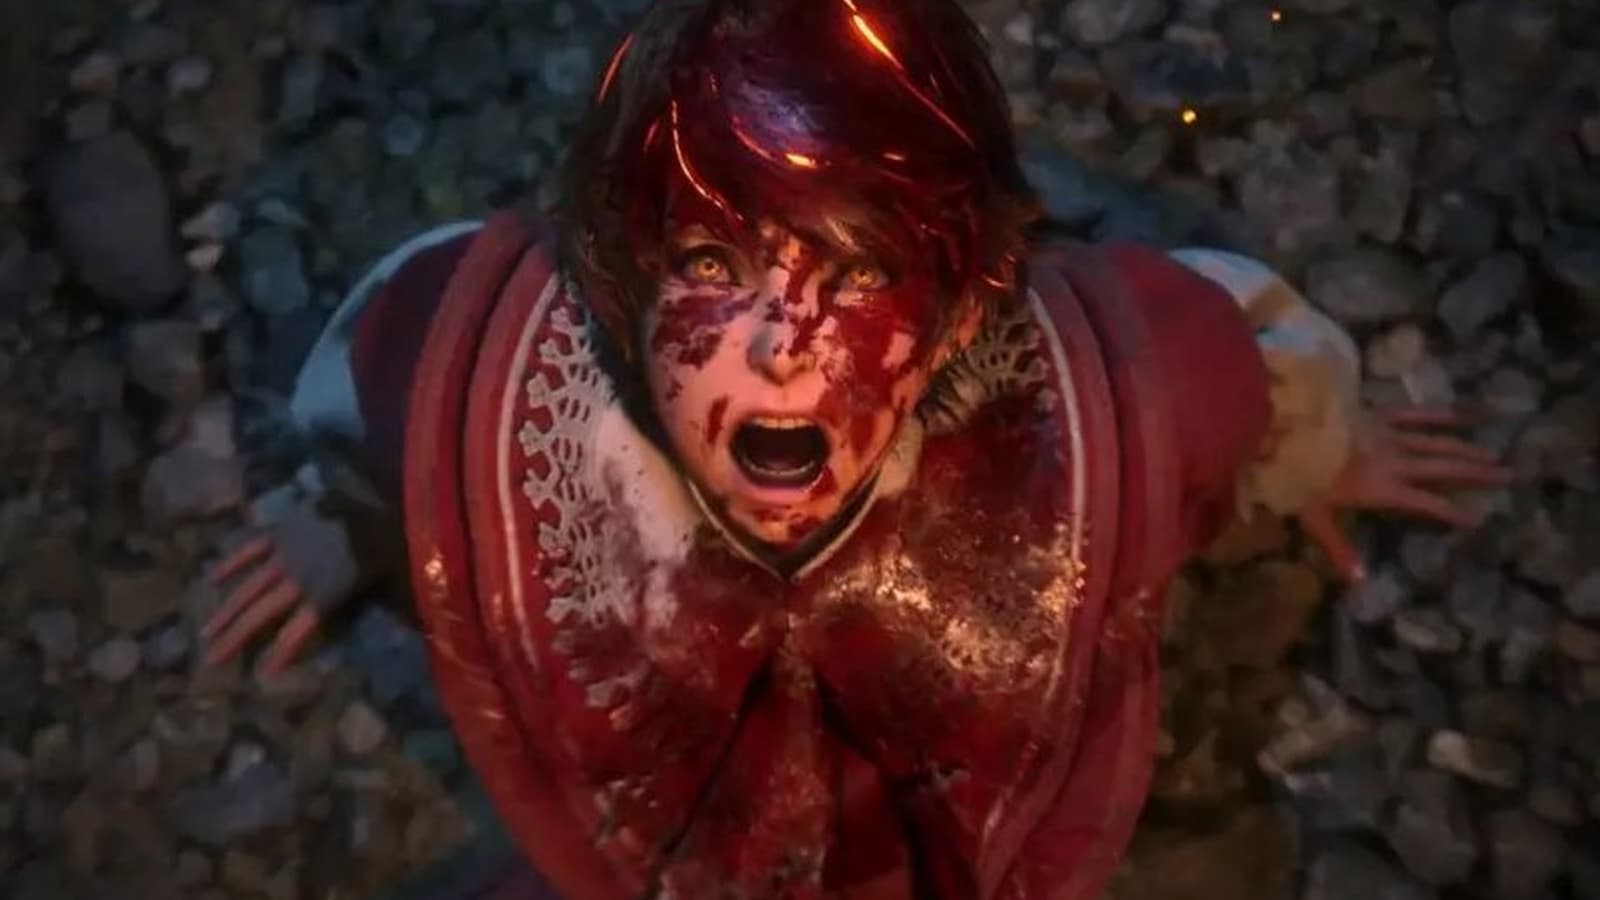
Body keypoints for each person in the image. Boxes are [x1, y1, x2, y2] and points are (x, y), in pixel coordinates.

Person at [203, 1, 1510, 897]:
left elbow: (1236, 355)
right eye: (713, 266)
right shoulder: (490, 393)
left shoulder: (1104, 407)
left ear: (960, 313)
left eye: (865, 272)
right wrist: (358, 516)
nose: (787, 348)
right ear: (620, 280)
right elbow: (389, 377)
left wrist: (1314, 448)